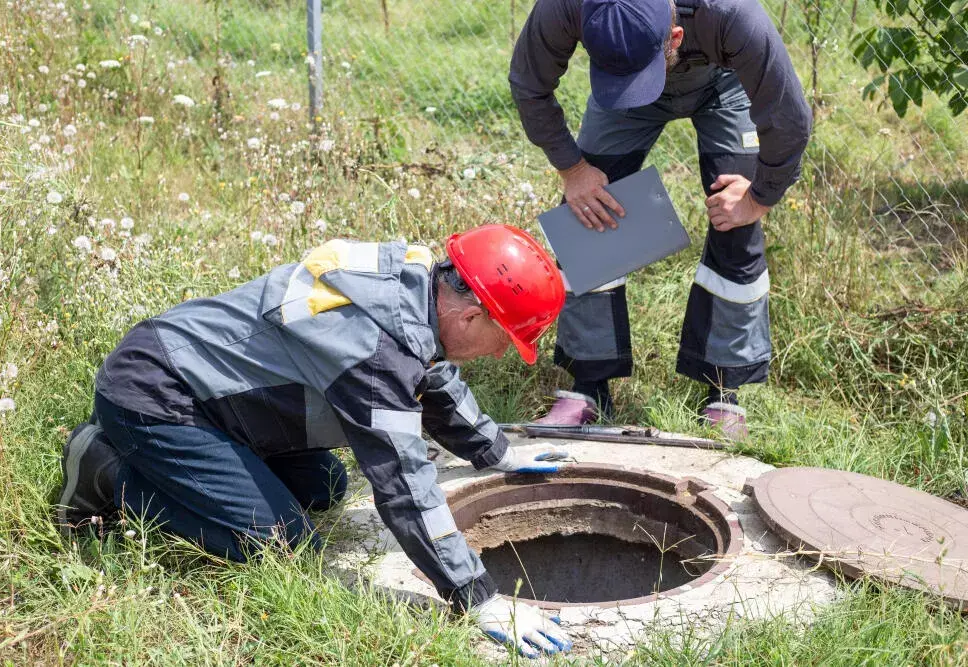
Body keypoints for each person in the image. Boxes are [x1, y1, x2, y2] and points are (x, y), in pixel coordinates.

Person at [57, 224, 573, 658]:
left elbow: (431, 377)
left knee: (325, 485)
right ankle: (105, 465)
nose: (503, 354)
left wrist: (498, 454)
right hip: (155, 395)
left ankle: (211, 468)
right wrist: (474, 594)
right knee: (282, 542)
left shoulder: (412, 286)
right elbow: (405, 483)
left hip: (215, 398)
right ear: (469, 315)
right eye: (507, 337)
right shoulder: (375, 352)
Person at [509, 0, 812, 438]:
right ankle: (589, 383)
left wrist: (760, 197)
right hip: (624, 85)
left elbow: (789, 116)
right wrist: (572, 169)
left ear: (675, 36)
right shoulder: (566, 6)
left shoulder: (731, 15)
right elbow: (529, 82)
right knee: (589, 211)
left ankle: (723, 388)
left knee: (735, 217)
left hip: (724, 83)